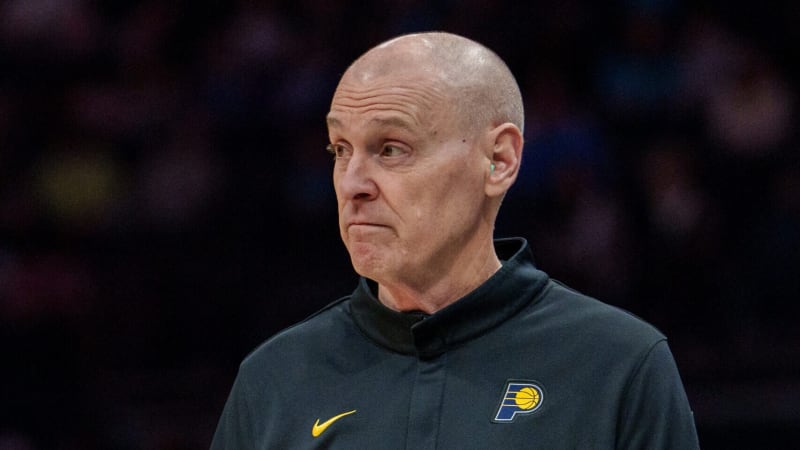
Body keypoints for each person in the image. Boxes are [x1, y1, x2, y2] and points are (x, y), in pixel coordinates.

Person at [210, 31, 700, 449]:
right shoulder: (271, 381)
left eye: (391, 148)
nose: (351, 182)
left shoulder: (620, 366)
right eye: (340, 148)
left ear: (499, 160)